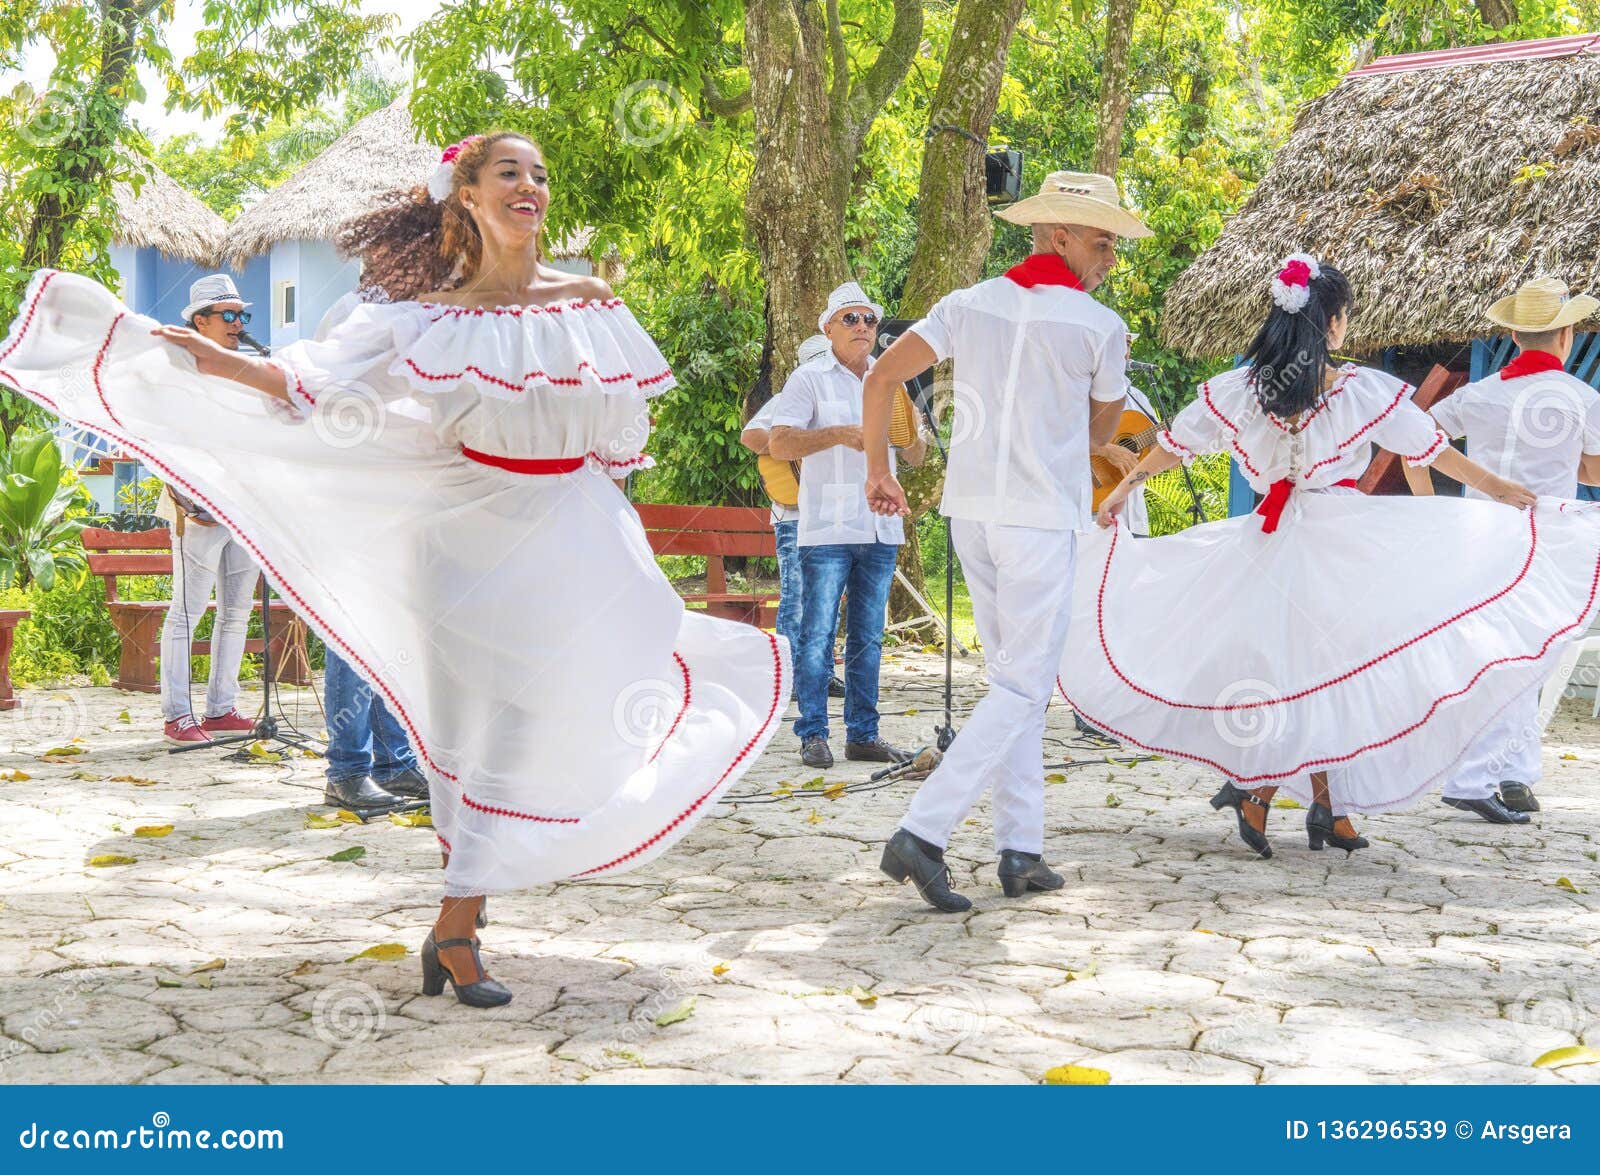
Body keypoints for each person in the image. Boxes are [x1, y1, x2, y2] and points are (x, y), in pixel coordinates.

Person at [0, 131, 789, 1008]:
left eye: (539, 172)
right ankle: (459, 928)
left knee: (576, 703)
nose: (530, 185)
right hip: (465, 547)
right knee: (479, 738)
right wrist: (164, 347)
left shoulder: (590, 303)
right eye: (508, 173)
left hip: (575, 534)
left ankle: (459, 921)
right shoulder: (428, 319)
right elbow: (295, 384)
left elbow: (612, 443)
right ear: (465, 196)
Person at [1071, 255, 1600, 861]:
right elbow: (1430, 450)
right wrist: (1500, 490)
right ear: (1336, 325)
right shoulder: (1355, 391)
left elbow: (1173, 447)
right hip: (1339, 540)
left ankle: (1317, 802)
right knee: (1328, 669)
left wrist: (1119, 491)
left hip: (1266, 543)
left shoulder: (1242, 390)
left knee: (1301, 670)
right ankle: (1283, 797)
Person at [862, 171, 1146, 911]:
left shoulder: (968, 303)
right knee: (1025, 684)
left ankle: (1020, 848)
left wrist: (875, 470)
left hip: (972, 515)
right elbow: (1097, 431)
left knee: (1011, 685)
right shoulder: (1099, 327)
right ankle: (923, 832)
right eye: (1101, 241)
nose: (1110, 258)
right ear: (1058, 234)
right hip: (1038, 518)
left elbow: (882, 373)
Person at [1408, 278, 1600, 824]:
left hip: (1479, 536)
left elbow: (1414, 447)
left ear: (1515, 337)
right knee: (1529, 655)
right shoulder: (1581, 399)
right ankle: (1475, 777)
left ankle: (1514, 775)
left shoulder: (1478, 395)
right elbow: (1593, 468)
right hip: (1547, 539)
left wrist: (1430, 510)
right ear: (1564, 336)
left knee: (1506, 652)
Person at [769, 283, 925, 769]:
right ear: (828, 327)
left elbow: (915, 457)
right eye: (851, 319)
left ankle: (863, 733)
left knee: (868, 636)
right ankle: (813, 733)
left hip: (880, 528)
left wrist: (914, 427)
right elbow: (778, 444)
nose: (862, 328)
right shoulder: (808, 379)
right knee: (817, 634)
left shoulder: (890, 381)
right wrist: (841, 434)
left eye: (869, 320)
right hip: (829, 528)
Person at [155, 275, 262, 748]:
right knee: (186, 613)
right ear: (200, 321)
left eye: (243, 316)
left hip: (244, 507)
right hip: (196, 510)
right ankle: (177, 716)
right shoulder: (176, 369)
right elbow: (157, 436)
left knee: (236, 613)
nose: (238, 324)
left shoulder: (250, 365)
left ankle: (221, 709)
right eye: (229, 316)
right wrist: (182, 494)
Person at [739, 333, 844, 700]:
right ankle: (789, 677)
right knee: (797, 597)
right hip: (794, 512)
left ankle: (821, 673)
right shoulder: (788, 400)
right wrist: (793, 448)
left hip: (833, 514)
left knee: (829, 597)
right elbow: (751, 436)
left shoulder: (845, 400)